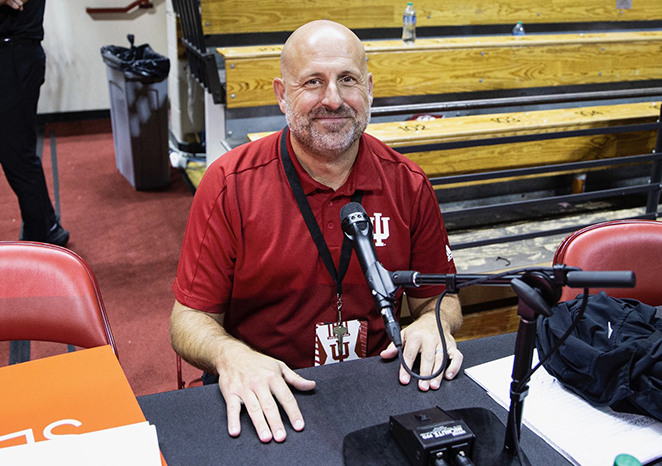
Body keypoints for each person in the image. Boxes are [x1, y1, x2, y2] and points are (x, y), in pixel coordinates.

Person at [170, 20, 463, 444]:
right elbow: (188, 319)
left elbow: (440, 298)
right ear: (281, 94)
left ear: (369, 89)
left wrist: (433, 325)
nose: (333, 99)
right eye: (312, 82)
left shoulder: (408, 183)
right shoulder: (229, 184)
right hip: (266, 394)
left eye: (348, 80)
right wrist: (230, 355)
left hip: (379, 388)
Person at [0, 0, 68, 246]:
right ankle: (47, 223)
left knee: (16, 152)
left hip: (11, 55)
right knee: (7, 152)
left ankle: (42, 240)